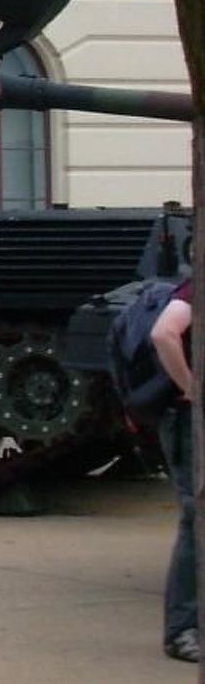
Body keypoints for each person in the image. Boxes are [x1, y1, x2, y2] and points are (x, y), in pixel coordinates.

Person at [149, 275, 198, 662]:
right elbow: (164, 333)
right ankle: (182, 630)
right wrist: (193, 388)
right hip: (187, 422)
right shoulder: (195, 290)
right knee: (196, 520)